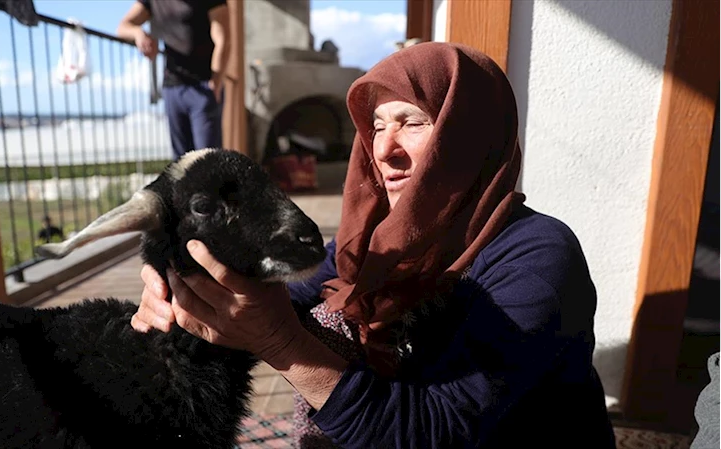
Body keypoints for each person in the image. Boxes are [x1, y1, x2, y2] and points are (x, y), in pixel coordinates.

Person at [130, 42, 617, 448]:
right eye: (377, 127)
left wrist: (282, 343)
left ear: (467, 135)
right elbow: (284, 296)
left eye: (413, 122)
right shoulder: (370, 242)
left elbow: (439, 429)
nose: (383, 149)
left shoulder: (538, 255)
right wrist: (181, 290)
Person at [117, 0, 230, 161]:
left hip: (204, 87)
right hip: (172, 87)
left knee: (208, 161)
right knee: (181, 163)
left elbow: (224, 39)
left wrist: (216, 82)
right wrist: (139, 34)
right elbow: (123, 26)